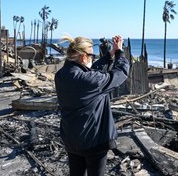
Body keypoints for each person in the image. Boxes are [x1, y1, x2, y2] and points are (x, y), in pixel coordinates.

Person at [55, 35, 129, 176]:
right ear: (83, 57)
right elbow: (120, 73)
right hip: (94, 141)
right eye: (91, 55)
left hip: (71, 139)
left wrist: (109, 55)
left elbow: (90, 73)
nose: (92, 59)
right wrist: (119, 52)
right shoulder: (89, 81)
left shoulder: (61, 75)